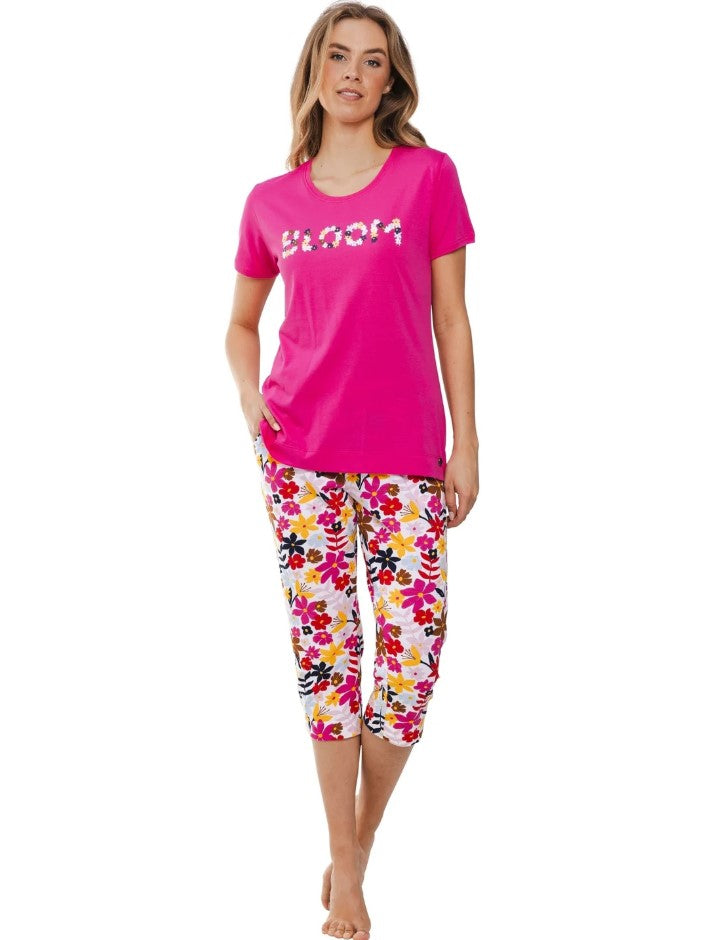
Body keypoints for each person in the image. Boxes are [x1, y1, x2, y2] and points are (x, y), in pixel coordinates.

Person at [224, 3, 479, 937]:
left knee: (410, 662)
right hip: (303, 460)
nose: (352, 74)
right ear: (314, 71)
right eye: (337, 56)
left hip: (406, 456)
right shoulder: (271, 201)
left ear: (390, 80)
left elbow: (450, 317)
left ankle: (352, 849)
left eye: (372, 61)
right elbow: (240, 324)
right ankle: (349, 875)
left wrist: (466, 440)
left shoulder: (426, 175)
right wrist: (254, 408)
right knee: (328, 661)